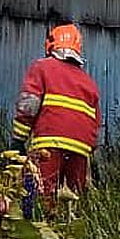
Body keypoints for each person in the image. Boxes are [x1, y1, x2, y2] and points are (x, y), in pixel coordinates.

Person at [12, 23, 101, 206]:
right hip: (80, 149)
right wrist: (91, 155)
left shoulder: (42, 67)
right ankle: (71, 232)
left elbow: (29, 105)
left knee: (43, 192)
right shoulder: (89, 82)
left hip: (49, 143)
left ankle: (40, 226)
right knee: (73, 201)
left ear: (50, 44)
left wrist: (18, 139)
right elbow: (95, 122)